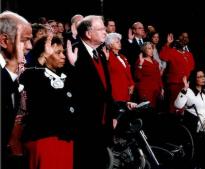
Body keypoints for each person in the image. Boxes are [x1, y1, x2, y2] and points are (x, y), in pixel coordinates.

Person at [66, 15, 136, 169]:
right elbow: (73, 89)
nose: (106, 32)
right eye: (101, 29)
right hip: (85, 125)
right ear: (89, 33)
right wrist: (73, 66)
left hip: (102, 124)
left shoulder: (99, 53)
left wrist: (115, 111)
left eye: (105, 28)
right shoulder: (74, 50)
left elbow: (105, 89)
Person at [20, 35, 75, 169]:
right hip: (45, 139)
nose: (63, 56)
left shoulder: (65, 75)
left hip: (65, 139)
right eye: (58, 53)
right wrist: (42, 57)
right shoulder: (35, 74)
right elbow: (28, 76)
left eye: (63, 52)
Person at [0, 10, 32, 169]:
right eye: (24, 40)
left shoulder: (13, 72)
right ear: (4, 41)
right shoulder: (10, 71)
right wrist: (13, 65)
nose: (29, 46)